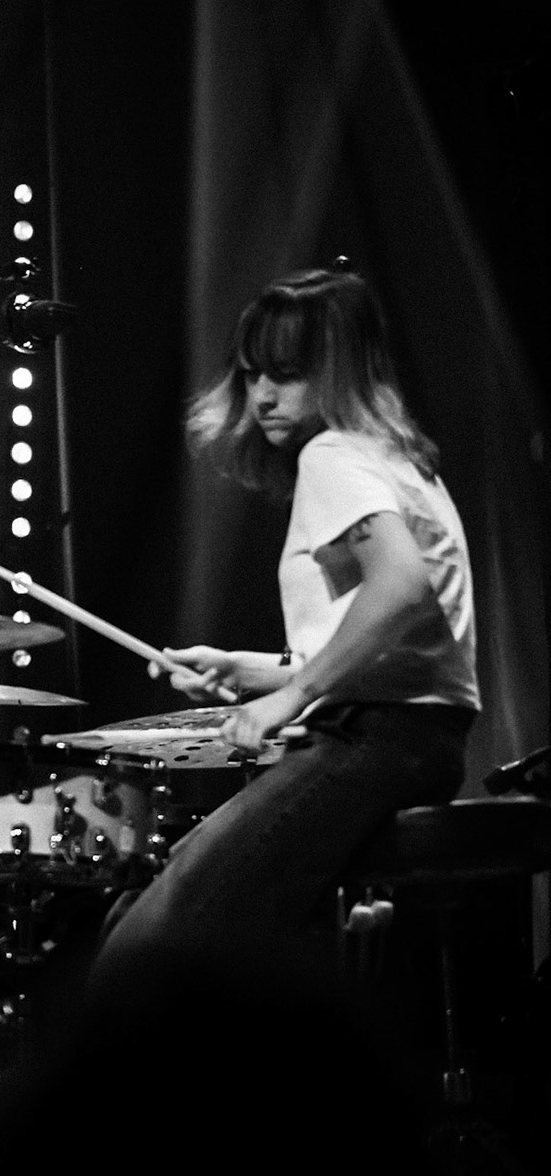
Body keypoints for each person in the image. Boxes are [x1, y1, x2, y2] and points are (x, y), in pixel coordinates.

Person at [96, 264, 478, 973]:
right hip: (414, 738)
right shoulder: (398, 460)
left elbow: (400, 587)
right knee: (177, 916)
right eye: (251, 374)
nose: (262, 395)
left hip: (374, 742)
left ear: (336, 371)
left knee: (150, 949)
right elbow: (397, 642)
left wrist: (290, 698)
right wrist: (252, 670)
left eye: (287, 373)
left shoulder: (334, 457)